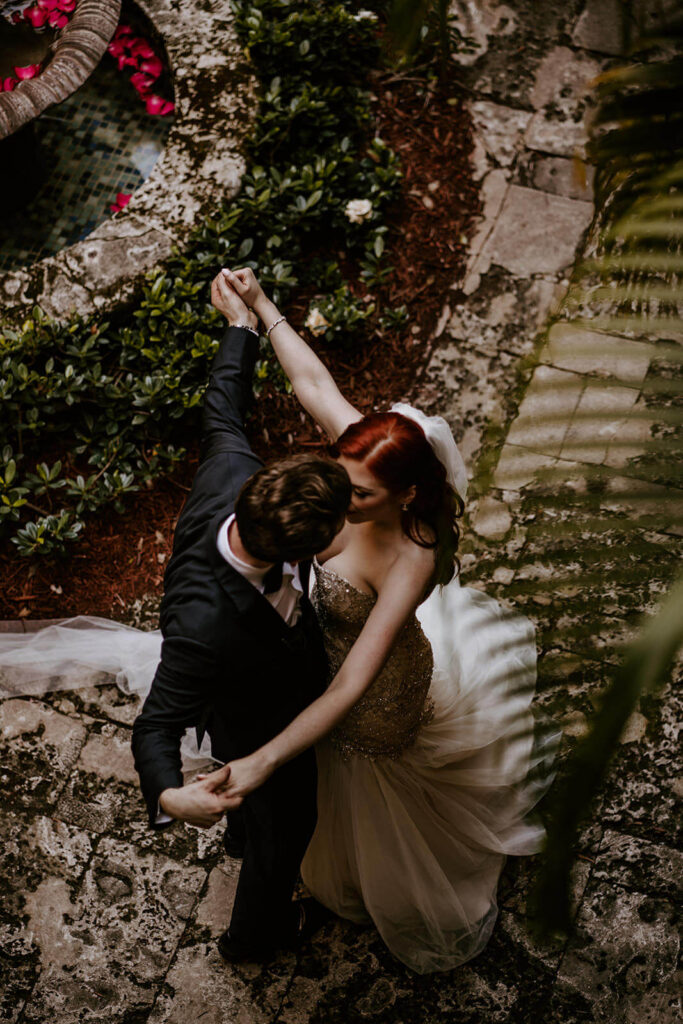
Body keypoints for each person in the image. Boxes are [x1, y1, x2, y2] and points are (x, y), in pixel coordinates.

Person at [202, 267, 558, 974]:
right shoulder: (356, 470)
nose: (339, 497)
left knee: (357, 782)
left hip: (374, 696)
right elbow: (313, 386)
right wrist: (260, 304)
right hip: (319, 657)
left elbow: (348, 689)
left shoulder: (411, 557)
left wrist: (266, 756)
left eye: (359, 495)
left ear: (407, 495)